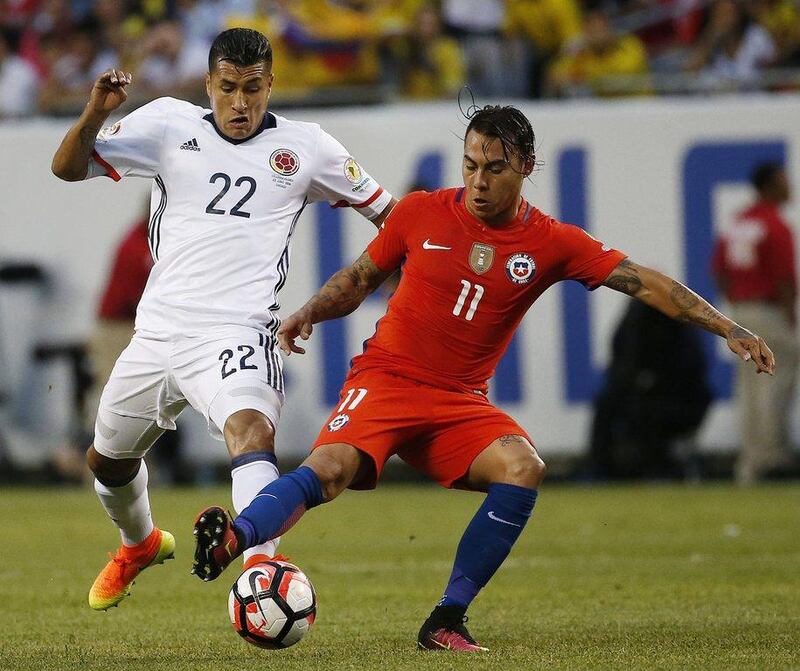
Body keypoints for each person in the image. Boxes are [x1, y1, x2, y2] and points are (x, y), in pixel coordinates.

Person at [191, 104, 774, 652]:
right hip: (388, 379)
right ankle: (235, 540)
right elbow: (360, 277)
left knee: (523, 467)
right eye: (470, 165)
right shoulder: (419, 211)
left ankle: (446, 620)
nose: (478, 181)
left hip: (458, 402)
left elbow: (645, 282)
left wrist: (728, 327)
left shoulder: (552, 242)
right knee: (330, 470)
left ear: (525, 167)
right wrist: (309, 311)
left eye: (494, 168)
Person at [51, 27, 396, 612]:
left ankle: (262, 571)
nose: (241, 103)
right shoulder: (165, 123)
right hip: (157, 332)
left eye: (254, 89)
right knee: (106, 460)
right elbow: (66, 168)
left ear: (271, 85)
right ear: (208, 83)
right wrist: (93, 114)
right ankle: (138, 545)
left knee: (251, 433)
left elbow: (391, 216)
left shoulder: (307, 146)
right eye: (229, 88)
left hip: (238, 332)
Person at [711, 162, 798, 485]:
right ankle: (772, 458)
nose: (789, 187)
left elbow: (718, 270)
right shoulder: (775, 225)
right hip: (770, 311)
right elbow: (784, 278)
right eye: (784, 181)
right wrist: (790, 315)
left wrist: (734, 305)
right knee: (775, 385)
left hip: (741, 311)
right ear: (770, 186)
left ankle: (750, 460)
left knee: (749, 390)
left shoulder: (738, 222)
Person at [588, 300, 712, 480]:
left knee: (647, 411)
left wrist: (652, 383)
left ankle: (657, 467)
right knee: (607, 404)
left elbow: (691, 376)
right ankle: (601, 470)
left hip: (678, 399)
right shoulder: (634, 327)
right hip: (643, 395)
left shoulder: (679, 333)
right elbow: (620, 366)